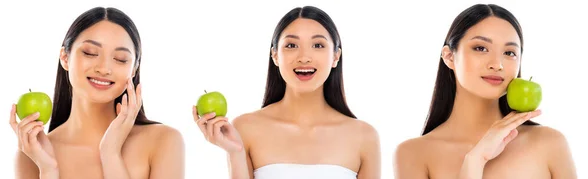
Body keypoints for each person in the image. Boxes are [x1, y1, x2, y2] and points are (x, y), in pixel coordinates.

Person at [192, 6, 381, 179]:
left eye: (318, 45)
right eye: (291, 45)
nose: (304, 57)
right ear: (275, 55)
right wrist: (235, 152)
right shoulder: (245, 128)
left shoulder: (364, 136)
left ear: (335, 56)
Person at [393, 4, 577, 179]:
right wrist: (474, 161)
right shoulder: (413, 154)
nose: (497, 64)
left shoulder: (549, 143)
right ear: (449, 56)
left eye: (509, 53)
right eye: (480, 48)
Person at [9, 7, 185, 179]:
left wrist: (110, 153)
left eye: (120, 59)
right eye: (90, 53)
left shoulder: (164, 141)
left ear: (133, 70)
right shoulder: (31, 155)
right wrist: (49, 170)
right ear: (65, 57)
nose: (104, 68)